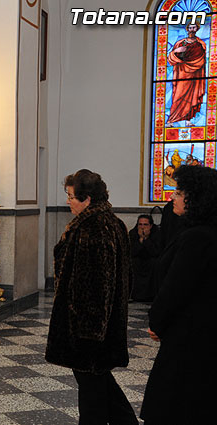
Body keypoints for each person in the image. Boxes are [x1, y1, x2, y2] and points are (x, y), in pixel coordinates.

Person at [45, 169, 138, 425]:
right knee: (99, 382)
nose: (68, 201)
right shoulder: (111, 222)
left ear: (87, 199)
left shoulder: (93, 228)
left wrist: (89, 334)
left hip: (89, 329)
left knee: (92, 391)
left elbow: (96, 285)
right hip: (100, 326)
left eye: (71, 196)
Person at [140, 165, 217, 424]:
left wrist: (157, 322)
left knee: (173, 404)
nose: (173, 196)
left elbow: (176, 287)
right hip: (197, 332)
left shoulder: (198, 238)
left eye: (180, 192)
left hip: (189, 335)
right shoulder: (199, 231)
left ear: (197, 198)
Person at [167, 22, 206, 125]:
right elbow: (170, 58)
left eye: (194, 27)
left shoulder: (200, 44)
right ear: (187, 28)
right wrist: (177, 51)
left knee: (192, 97)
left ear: (197, 28)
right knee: (178, 96)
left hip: (194, 76)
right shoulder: (180, 43)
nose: (192, 29)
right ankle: (172, 120)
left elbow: (202, 61)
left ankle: (188, 120)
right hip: (181, 74)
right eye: (190, 27)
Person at [128, 215, 160, 302]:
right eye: (140, 224)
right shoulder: (133, 233)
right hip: (137, 259)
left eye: (145, 225)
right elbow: (132, 252)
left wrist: (146, 240)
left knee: (154, 263)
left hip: (151, 259)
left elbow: (155, 252)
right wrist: (140, 240)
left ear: (151, 226)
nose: (142, 227)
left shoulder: (157, 234)